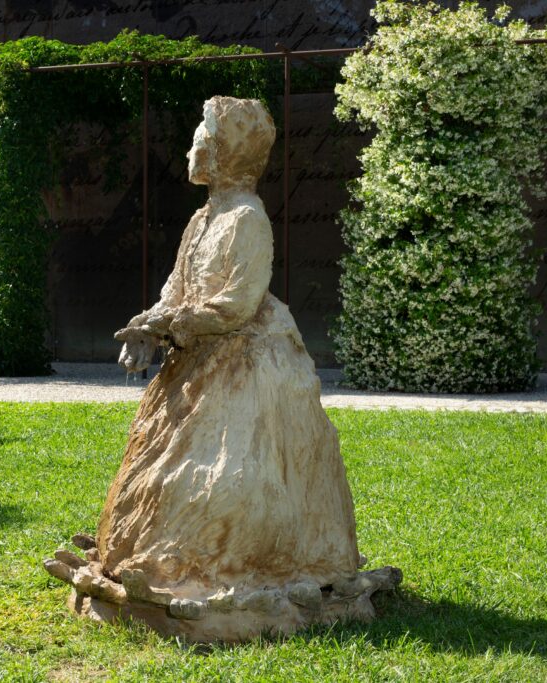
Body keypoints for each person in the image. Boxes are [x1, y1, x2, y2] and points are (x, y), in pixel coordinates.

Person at [45, 96, 399, 642]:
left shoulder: (246, 220)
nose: (192, 148)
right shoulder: (200, 219)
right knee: (159, 475)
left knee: (233, 480)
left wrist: (170, 327)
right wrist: (149, 325)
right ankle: (162, 573)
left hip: (245, 367)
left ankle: (234, 576)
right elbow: (176, 289)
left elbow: (237, 303)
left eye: (200, 137)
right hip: (196, 361)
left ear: (227, 150)